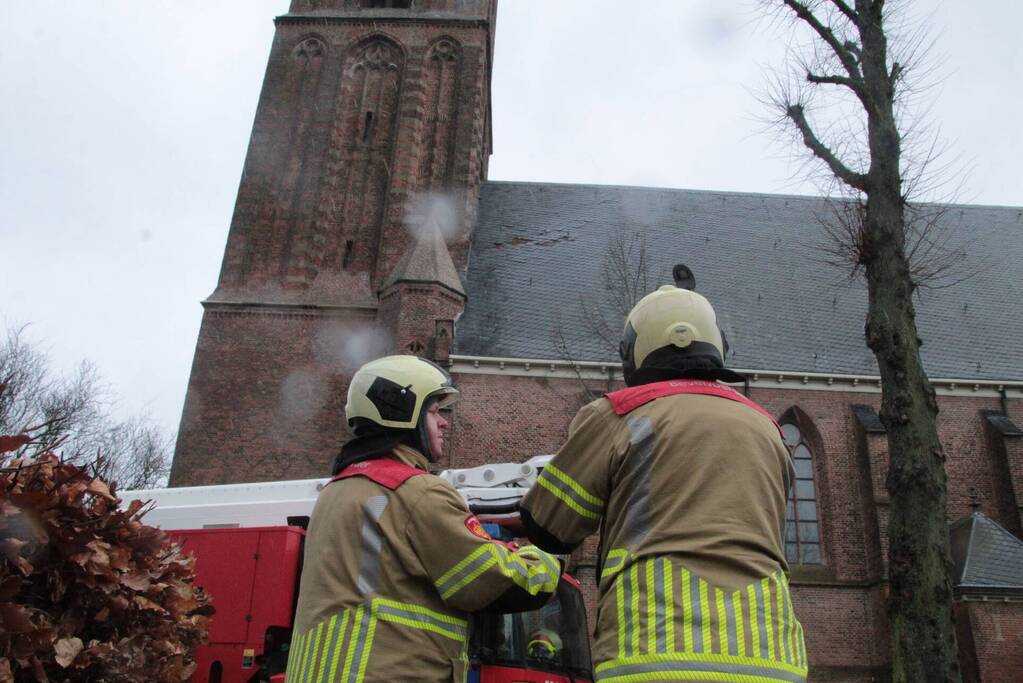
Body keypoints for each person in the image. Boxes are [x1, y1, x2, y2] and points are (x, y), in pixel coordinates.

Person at [520, 285, 808, 683]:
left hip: (652, 652)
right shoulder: (767, 429)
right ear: (717, 345)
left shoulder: (620, 414)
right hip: (771, 659)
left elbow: (549, 527)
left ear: (632, 352)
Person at [286, 355, 561, 683]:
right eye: (433, 411)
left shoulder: (336, 491)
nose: (444, 422)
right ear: (402, 412)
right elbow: (488, 580)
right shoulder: (417, 491)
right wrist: (547, 556)